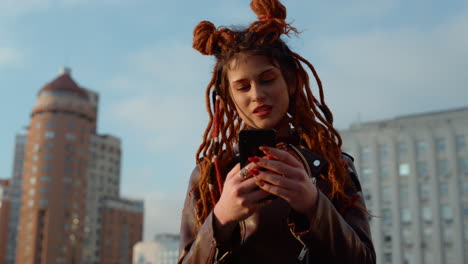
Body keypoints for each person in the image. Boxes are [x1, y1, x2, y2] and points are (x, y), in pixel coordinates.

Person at [178, 0, 376, 263]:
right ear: (228, 97)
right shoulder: (210, 175)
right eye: (242, 86)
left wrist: (313, 204)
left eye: (267, 80)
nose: (257, 95)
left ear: (291, 82)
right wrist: (221, 217)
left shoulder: (334, 167)